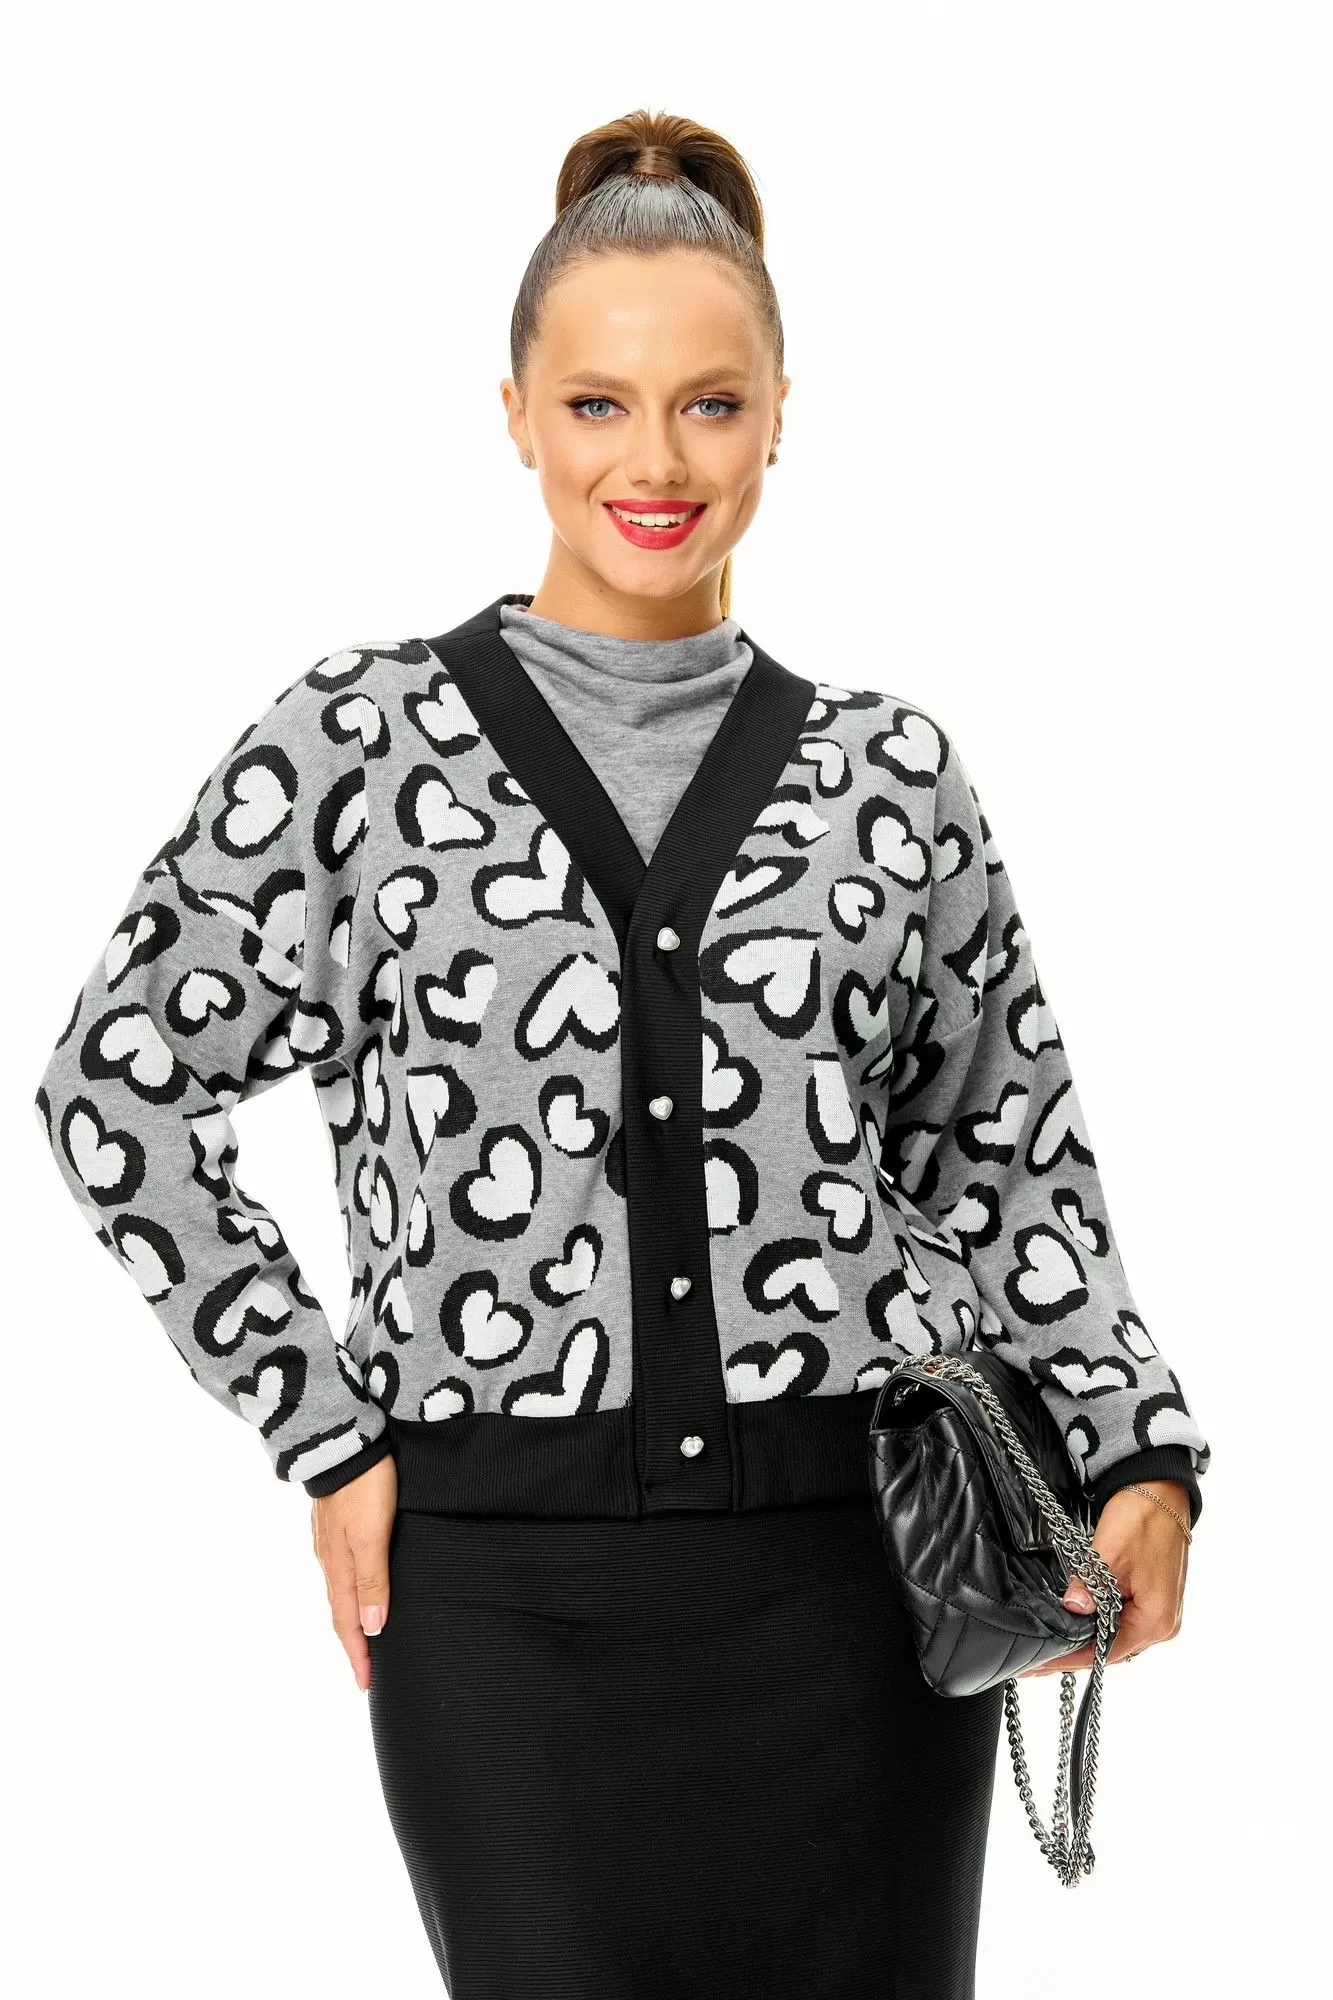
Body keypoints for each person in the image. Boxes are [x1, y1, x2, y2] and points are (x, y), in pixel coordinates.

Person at [33, 108, 1209, 2000]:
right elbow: (115, 1086)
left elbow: (1005, 1155)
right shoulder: (357, 750)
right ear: (514, 413)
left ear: (781, 415)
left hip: (865, 1587)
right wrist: (322, 1428)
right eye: (597, 405)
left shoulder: (892, 777)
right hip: (496, 1601)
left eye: (709, 406)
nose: (653, 465)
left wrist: (1138, 1445)